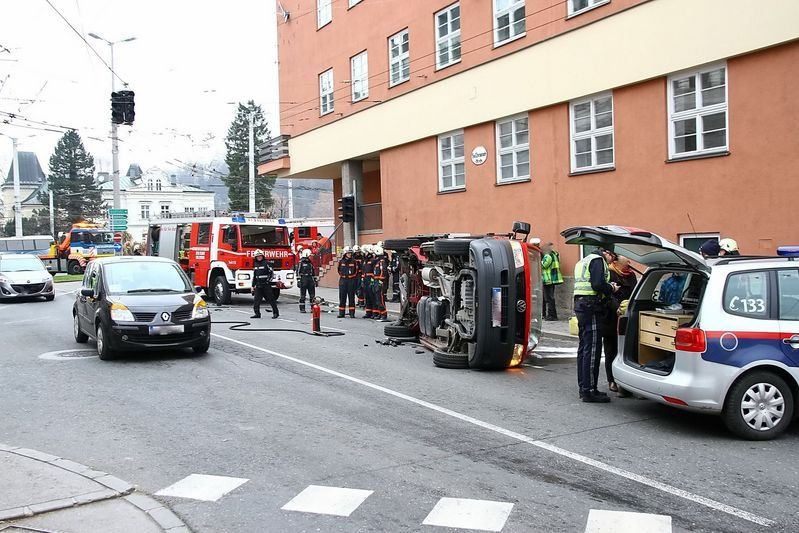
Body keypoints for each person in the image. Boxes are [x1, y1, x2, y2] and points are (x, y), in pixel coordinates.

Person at [573, 247, 620, 403]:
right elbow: (597, 285)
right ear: (607, 252)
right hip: (591, 306)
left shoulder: (584, 260)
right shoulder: (598, 260)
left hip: (582, 305)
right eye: (613, 258)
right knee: (593, 349)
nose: (612, 261)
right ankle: (589, 390)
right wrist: (611, 288)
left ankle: (584, 387)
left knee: (584, 348)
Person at [603, 255, 637, 393]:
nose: (628, 265)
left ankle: (625, 383)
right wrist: (617, 307)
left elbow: (634, 293)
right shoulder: (609, 273)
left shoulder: (631, 275)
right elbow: (607, 295)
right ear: (616, 263)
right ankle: (611, 380)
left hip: (627, 316)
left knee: (625, 350)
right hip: (611, 317)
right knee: (611, 350)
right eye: (625, 264)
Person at [252, 249, 279, 319]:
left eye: (260, 256)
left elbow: (271, 273)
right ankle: (257, 314)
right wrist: (252, 285)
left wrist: (267, 281)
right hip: (258, 285)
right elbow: (255, 276)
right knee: (256, 300)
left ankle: (275, 313)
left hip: (266, 285)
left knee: (271, 299)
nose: (259, 257)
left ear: (262, 256)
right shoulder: (255, 264)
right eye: (257, 256)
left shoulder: (267, 263)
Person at [540, 242, 563, 321]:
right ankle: (552, 315)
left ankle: (552, 315)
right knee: (550, 298)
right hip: (552, 279)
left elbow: (543, 265)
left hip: (548, 279)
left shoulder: (548, 256)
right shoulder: (554, 254)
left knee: (549, 298)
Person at [337, 246, 358, 318]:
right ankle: (341, 313)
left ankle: (352, 313)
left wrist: (351, 276)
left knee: (351, 297)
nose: (350, 254)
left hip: (351, 280)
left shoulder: (354, 261)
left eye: (350, 253)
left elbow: (356, 271)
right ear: (345, 253)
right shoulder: (341, 261)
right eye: (348, 253)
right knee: (342, 297)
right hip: (343, 281)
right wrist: (343, 276)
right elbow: (339, 270)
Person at [371, 245, 389, 321]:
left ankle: (384, 315)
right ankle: (380, 313)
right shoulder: (377, 262)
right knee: (377, 299)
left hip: (379, 282)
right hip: (376, 281)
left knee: (380, 299)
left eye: (374, 253)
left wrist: (380, 281)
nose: (373, 255)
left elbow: (383, 272)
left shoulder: (381, 262)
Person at [296, 248, 316, 313]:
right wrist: (298, 280)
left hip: (310, 279)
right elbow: (298, 272)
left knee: (312, 295)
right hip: (303, 279)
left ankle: (313, 308)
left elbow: (313, 272)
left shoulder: (310, 263)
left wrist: (315, 280)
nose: (310, 256)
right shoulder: (301, 262)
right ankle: (302, 308)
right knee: (303, 295)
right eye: (309, 255)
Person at [362, 246, 376, 318]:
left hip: (370, 280)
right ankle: (368, 312)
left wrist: (372, 280)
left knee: (372, 297)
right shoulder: (365, 260)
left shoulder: (373, 260)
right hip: (365, 280)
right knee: (367, 297)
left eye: (366, 252)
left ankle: (374, 313)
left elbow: (374, 271)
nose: (365, 253)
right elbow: (363, 270)